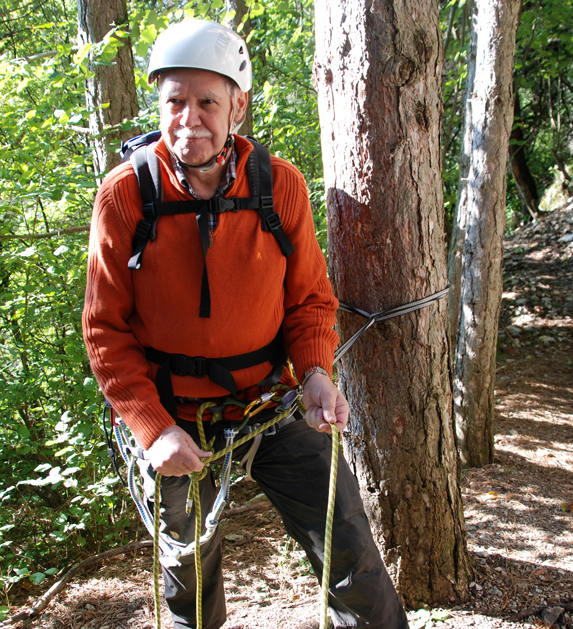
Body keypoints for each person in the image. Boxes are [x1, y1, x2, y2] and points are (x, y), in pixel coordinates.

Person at [82, 18, 408, 629]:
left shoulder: (277, 186)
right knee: (189, 582)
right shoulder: (126, 195)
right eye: (174, 100)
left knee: (350, 554)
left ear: (238, 105)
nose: (189, 118)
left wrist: (315, 372)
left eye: (207, 101)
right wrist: (152, 430)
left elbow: (310, 299)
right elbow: (105, 330)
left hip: (271, 402)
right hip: (176, 414)